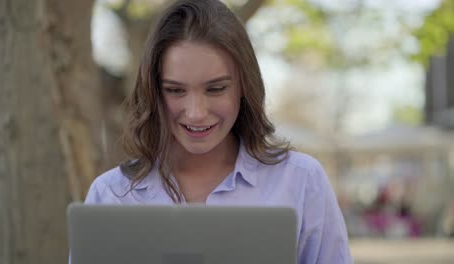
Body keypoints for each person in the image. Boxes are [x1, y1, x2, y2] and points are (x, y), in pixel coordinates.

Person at [83, 0, 353, 263]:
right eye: (175, 90)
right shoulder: (111, 195)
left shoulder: (301, 182)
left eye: (216, 88)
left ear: (244, 87)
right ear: (154, 92)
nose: (196, 112)